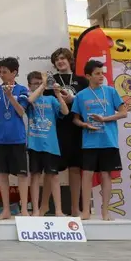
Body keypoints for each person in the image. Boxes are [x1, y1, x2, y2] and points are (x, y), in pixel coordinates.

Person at [71, 59, 127, 221]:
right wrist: (85, 124)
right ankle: (86, 210)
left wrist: (105, 119)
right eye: (97, 74)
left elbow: (124, 113)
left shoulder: (110, 91)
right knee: (87, 175)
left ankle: (105, 211)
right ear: (88, 76)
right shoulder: (81, 96)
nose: (101, 76)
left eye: (102, 73)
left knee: (105, 175)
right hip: (89, 142)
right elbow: (75, 118)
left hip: (108, 140)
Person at [43, 48, 89, 216]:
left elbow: (88, 101)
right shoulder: (51, 80)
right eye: (56, 59)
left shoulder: (81, 81)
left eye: (63, 58)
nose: (60, 61)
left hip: (76, 127)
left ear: (70, 60)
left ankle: (75, 208)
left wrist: (73, 99)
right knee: (51, 168)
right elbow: (45, 102)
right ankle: (45, 207)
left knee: (75, 168)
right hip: (56, 128)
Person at [0, 57, 30, 219]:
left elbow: (21, 112)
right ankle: (6, 210)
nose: (1, 75)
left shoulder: (22, 90)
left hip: (17, 139)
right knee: (3, 175)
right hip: (0, 139)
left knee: (22, 175)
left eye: (4, 72)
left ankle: (24, 209)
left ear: (14, 73)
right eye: (0, 72)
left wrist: (11, 97)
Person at [27, 72, 69, 216]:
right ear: (29, 86)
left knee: (54, 176)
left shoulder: (50, 99)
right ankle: (36, 211)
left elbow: (65, 111)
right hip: (34, 143)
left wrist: (58, 94)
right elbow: (30, 99)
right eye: (35, 84)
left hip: (51, 144)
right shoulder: (30, 99)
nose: (39, 86)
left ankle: (58, 210)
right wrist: (44, 85)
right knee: (35, 176)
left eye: (41, 83)